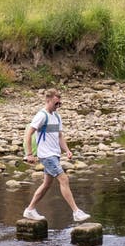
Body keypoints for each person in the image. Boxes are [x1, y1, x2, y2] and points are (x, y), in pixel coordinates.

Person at [23, 88, 90, 223]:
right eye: (56, 103)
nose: (58, 106)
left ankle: (30, 210)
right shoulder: (41, 115)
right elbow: (28, 134)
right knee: (64, 179)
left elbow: (59, 136)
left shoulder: (57, 116)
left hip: (55, 154)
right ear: (48, 101)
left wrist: (67, 150)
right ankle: (76, 212)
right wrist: (29, 154)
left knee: (46, 184)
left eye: (60, 104)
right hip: (46, 156)